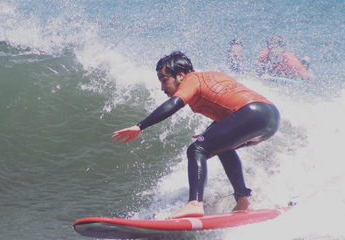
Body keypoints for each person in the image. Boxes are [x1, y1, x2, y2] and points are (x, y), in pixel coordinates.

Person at [113, 51, 280, 219]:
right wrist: (212, 132)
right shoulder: (211, 76)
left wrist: (140, 126)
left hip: (251, 113)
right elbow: (231, 104)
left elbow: (175, 103)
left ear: (180, 75)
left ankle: (194, 204)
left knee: (196, 150)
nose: (162, 88)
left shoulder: (191, 79)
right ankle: (243, 202)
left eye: (164, 81)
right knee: (222, 147)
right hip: (269, 116)